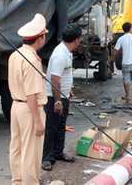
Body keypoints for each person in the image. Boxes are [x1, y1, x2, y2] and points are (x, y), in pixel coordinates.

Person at [8, 13, 48, 185]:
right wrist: (38, 121)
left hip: (16, 107)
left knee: (17, 148)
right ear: (40, 39)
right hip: (29, 108)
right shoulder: (32, 60)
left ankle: (17, 181)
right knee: (31, 152)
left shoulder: (15, 54)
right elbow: (31, 93)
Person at [41, 25, 82, 171]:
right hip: (54, 96)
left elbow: (64, 76)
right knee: (51, 127)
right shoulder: (60, 54)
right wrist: (57, 101)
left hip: (62, 94)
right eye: (80, 38)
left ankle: (57, 152)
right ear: (76, 40)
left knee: (60, 126)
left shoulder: (67, 51)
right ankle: (46, 158)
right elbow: (55, 79)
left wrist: (68, 90)